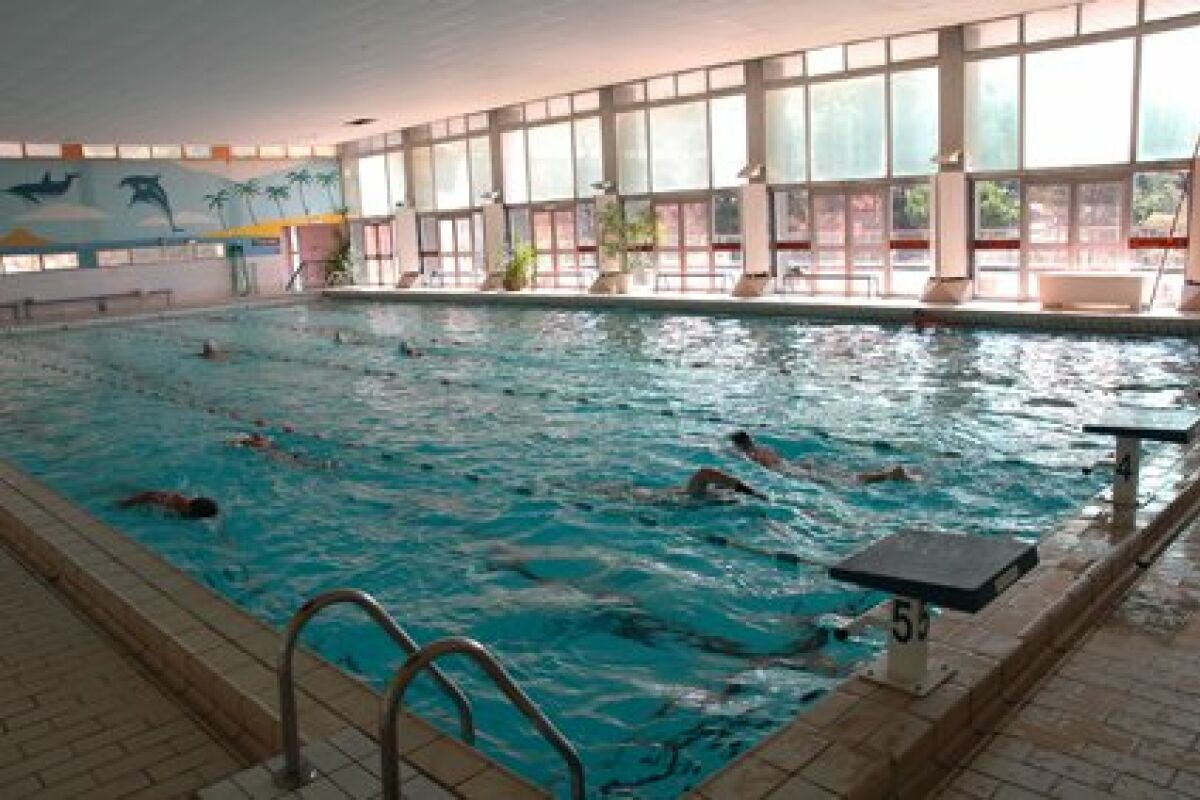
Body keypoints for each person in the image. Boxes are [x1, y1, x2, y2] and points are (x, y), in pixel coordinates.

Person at [118, 492, 218, 519]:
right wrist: (128, 502)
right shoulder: (174, 500)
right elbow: (147, 495)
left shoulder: (201, 513)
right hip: (141, 498)